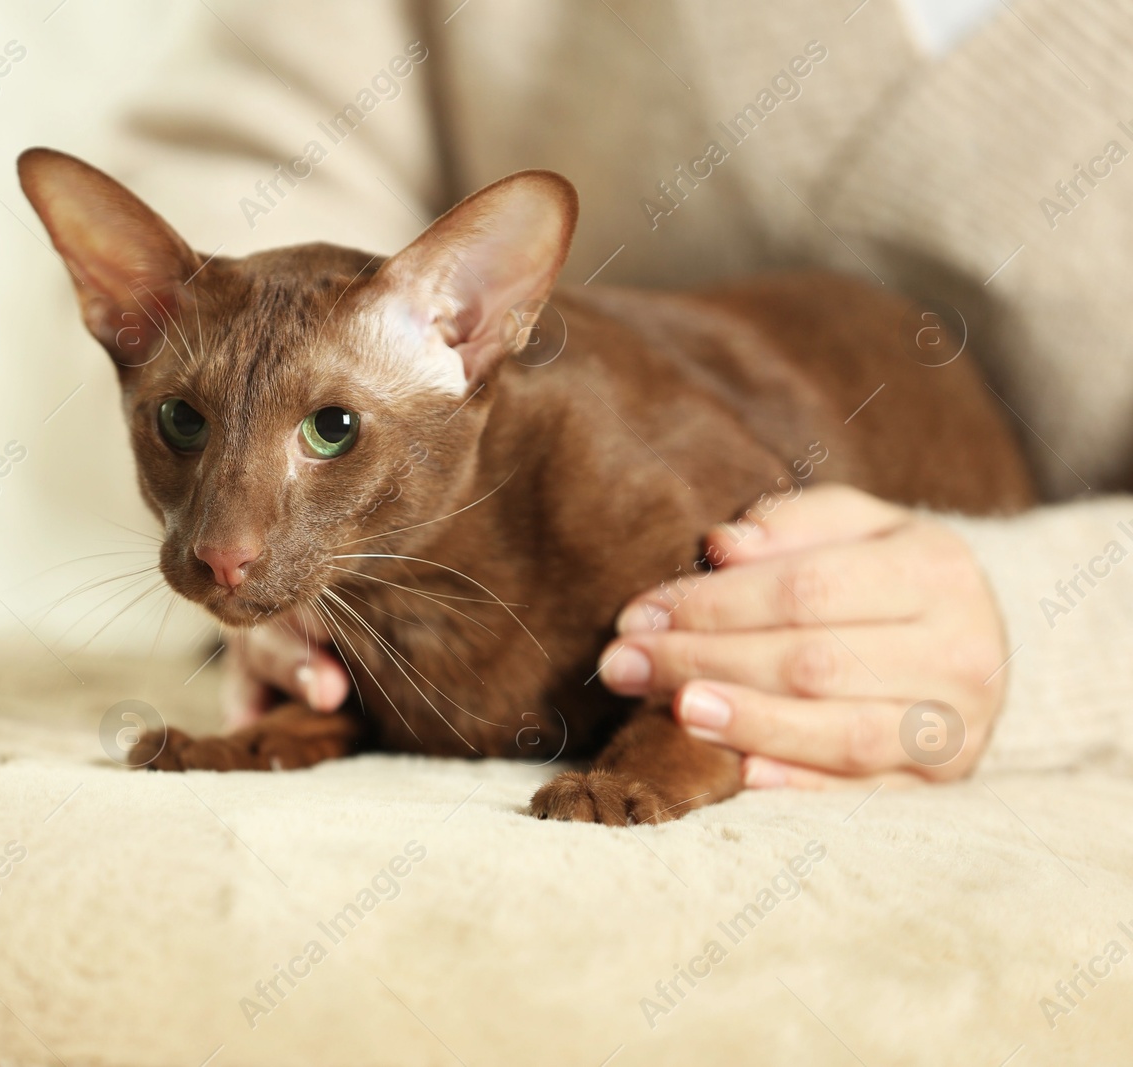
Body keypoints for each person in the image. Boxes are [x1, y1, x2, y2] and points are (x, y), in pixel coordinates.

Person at [100, 0, 1133, 786]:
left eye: (326, 428)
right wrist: (236, 355)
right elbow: (259, 139)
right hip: (443, 428)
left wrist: (1051, 625)